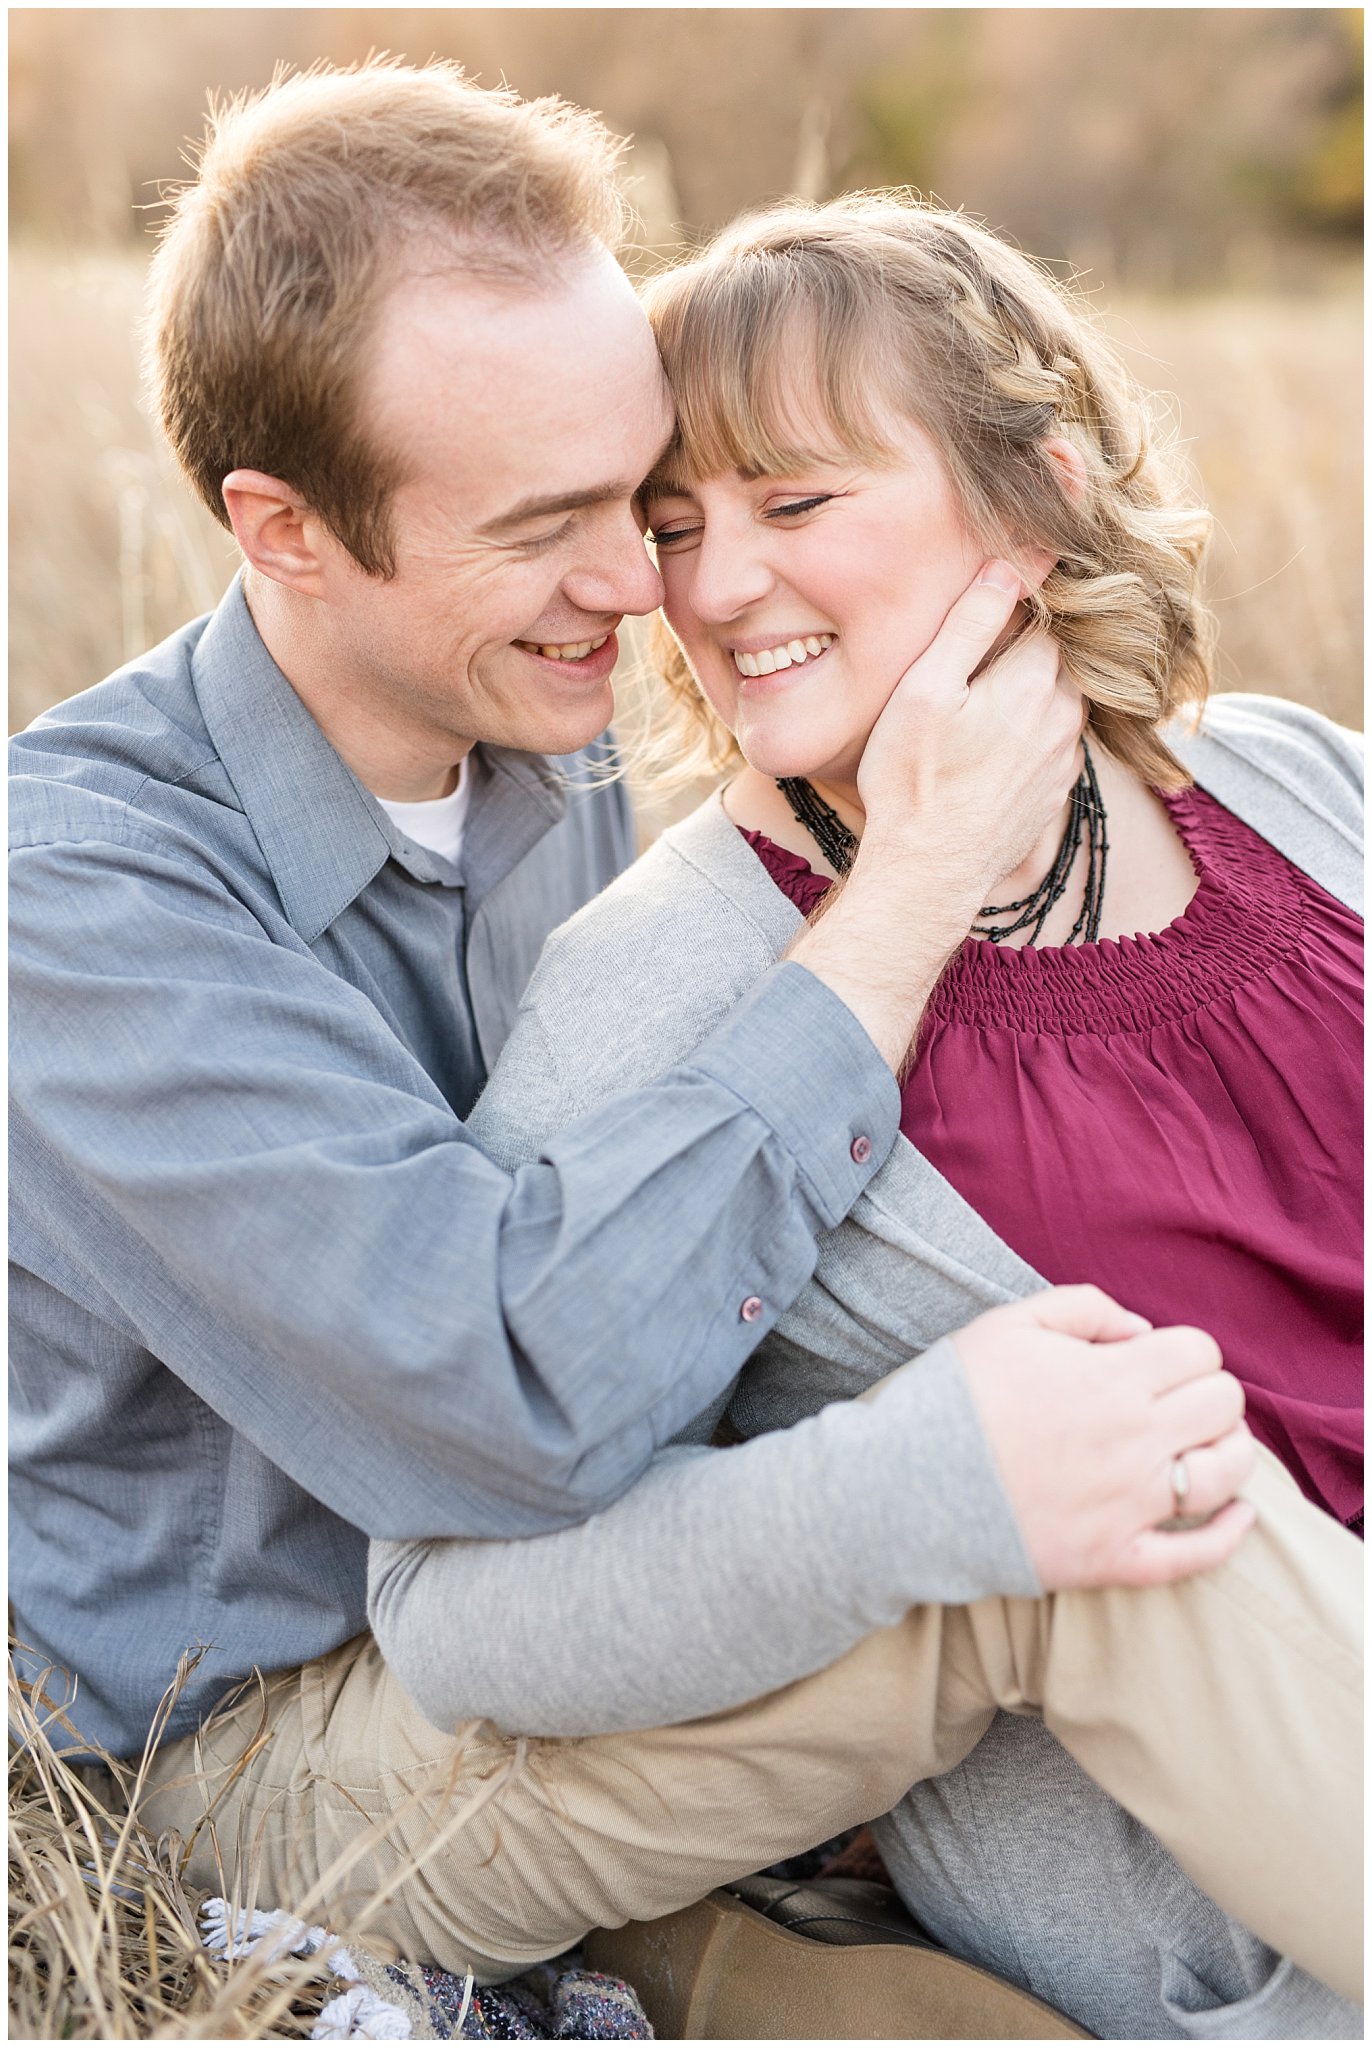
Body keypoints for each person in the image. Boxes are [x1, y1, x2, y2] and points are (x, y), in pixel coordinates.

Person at [4, 60, 1349, 2030]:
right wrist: (900, 898)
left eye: (646, 499)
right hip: (282, 1735)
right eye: (573, 522)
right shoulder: (83, 905)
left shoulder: (526, 756)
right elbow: (510, 1401)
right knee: (1080, 1485)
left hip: (616, 1621)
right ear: (285, 532)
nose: (661, 592)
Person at [365, 196, 1363, 2034]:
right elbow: (460, 1600)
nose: (717, 584)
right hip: (1240, 1893)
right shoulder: (669, 979)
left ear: (1038, 494)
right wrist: (915, 1490)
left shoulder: (1295, 787)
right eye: (676, 526)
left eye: (796, 502)